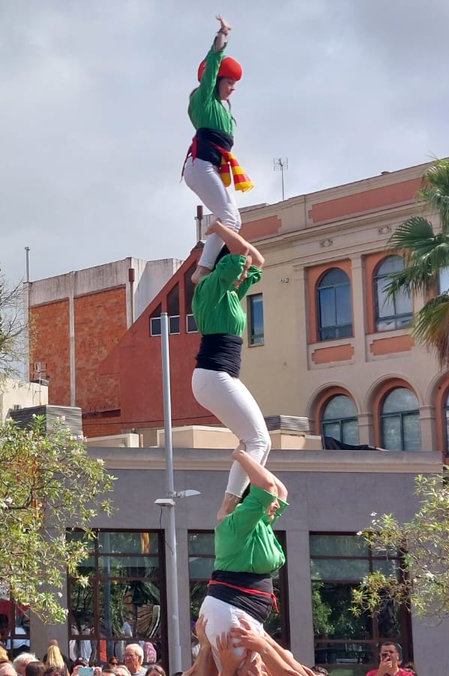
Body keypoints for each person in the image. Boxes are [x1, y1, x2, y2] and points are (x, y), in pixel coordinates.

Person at [190, 222, 268, 520]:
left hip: (220, 376)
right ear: (225, 267)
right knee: (256, 440)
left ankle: (245, 494)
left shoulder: (232, 293)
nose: (246, 275)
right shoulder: (211, 289)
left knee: (261, 441)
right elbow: (244, 252)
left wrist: (225, 237)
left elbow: (257, 260)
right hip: (213, 374)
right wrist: (220, 227)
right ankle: (227, 507)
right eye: (241, 270)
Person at [196, 449, 288, 669]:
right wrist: (242, 455)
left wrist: (258, 453)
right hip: (231, 606)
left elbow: (280, 491)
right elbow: (268, 487)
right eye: (271, 501)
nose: (276, 504)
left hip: (241, 609)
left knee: (251, 669)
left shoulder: (259, 525)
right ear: (252, 503)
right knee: (247, 670)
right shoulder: (236, 525)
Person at [184, 15, 253, 284]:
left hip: (207, 166)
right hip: (200, 164)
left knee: (233, 220)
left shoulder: (223, 111)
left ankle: (205, 267)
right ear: (216, 82)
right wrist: (222, 36)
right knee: (229, 218)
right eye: (229, 83)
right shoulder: (204, 99)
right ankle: (202, 270)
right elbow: (212, 66)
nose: (233, 89)